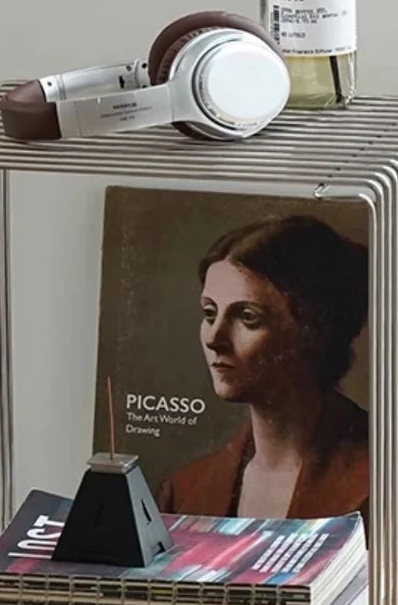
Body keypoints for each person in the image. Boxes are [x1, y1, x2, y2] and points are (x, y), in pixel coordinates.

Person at [156, 214, 370, 521]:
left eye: (247, 317)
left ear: (311, 331)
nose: (215, 338)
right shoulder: (182, 491)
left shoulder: (390, 475)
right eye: (209, 313)